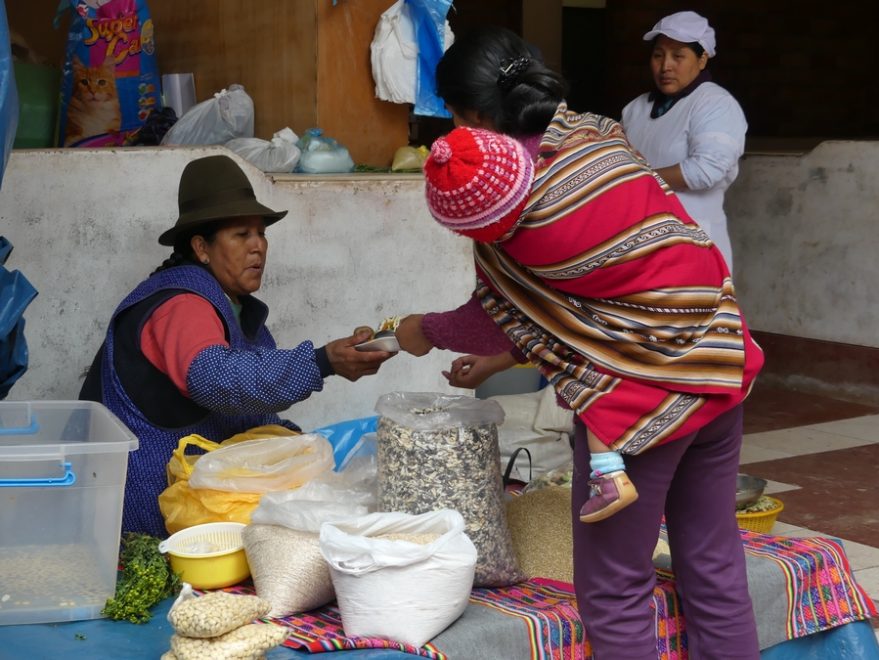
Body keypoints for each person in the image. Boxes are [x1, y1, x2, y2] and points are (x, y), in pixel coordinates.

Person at [389, 26, 763, 659]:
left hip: (639, 404)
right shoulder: (595, 136)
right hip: (718, 354)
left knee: (615, 589)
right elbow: (595, 297)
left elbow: (498, 312)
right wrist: (506, 356)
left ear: (473, 115)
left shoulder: (516, 214)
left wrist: (420, 330)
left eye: (453, 117)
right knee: (713, 558)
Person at [80, 154, 393, 538]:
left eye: (261, 233)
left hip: (203, 503)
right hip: (153, 521)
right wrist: (322, 361)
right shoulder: (180, 305)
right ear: (202, 248)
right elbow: (217, 379)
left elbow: (251, 408)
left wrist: (306, 450)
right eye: (241, 235)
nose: (258, 246)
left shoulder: (229, 303)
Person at [621, 10, 747, 270]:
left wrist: (637, 180)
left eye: (678, 56)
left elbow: (705, 170)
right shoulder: (635, 109)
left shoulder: (715, 104)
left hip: (693, 243)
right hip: (638, 244)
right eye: (658, 55)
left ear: (702, 59)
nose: (666, 65)